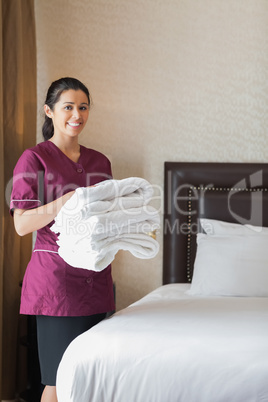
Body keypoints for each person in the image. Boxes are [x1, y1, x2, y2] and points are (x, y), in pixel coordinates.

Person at [10, 77, 115, 402]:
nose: (76, 114)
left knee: (91, 379)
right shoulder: (33, 158)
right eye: (68, 106)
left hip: (97, 281)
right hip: (56, 284)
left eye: (82, 107)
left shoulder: (100, 162)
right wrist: (65, 201)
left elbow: (107, 219)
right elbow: (22, 224)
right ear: (49, 111)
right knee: (58, 382)